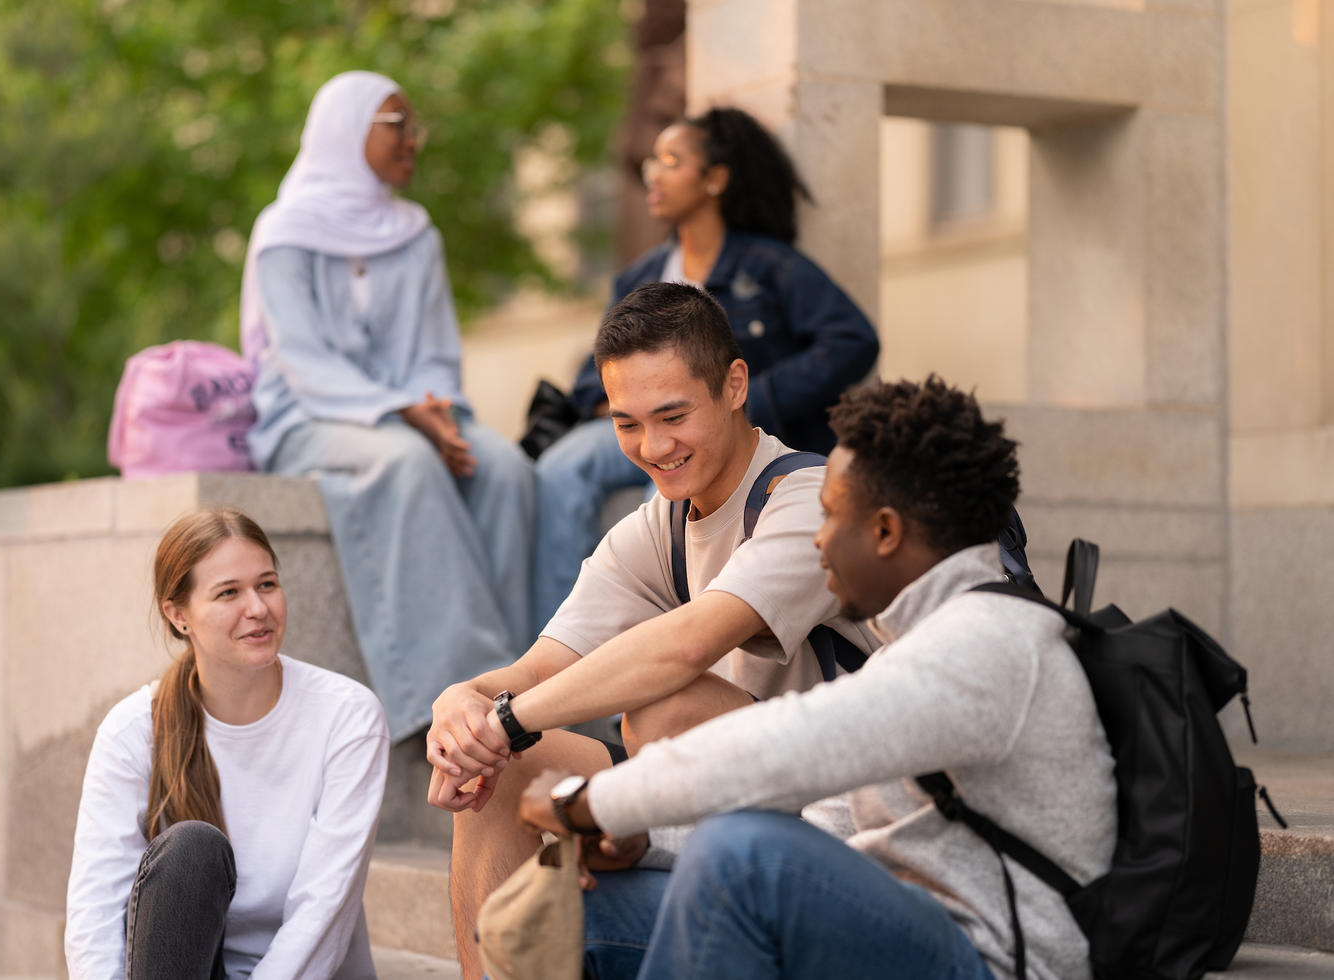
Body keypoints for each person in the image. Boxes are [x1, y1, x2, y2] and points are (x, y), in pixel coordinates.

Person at [516, 377, 1118, 980]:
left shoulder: (990, 642)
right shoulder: (916, 646)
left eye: (830, 516)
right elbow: (822, 827)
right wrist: (644, 843)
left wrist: (597, 802)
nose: (819, 542)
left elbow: (788, 746)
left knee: (744, 855)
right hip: (888, 929)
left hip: (992, 961)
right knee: (583, 911)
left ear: (885, 531)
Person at [426, 281, 878, 978]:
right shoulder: (657, 527)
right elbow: (539, 668)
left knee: (666, 707)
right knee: (497, 768)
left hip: (841, 823)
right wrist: (464, 704)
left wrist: (506, 721)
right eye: (627, 423)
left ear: (733, 385)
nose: (653, 446)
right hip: (724, 797)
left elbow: (687, 645)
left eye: (672, 415)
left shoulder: (807, 502)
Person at [239, 70, 534, 741]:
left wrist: (434, 410)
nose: (415, 141)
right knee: (406, 464)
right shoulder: (284, 231)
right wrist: (402, 413)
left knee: (504, 466)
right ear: (348, 132)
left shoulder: (416, 232)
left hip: (415, 414)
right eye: (399, 126)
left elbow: (435, 351)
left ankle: (520, 679)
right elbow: (302, 359)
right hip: (309, 420)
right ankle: (460, 706)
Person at [530, 106, 879, 635]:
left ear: (714, 179)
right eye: (651, 162)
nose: (654, 174)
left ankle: (663, 646)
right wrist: (619, 406)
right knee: (559, 468)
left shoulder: (769, 265)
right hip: (640, 420)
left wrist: (760, 395)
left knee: (673, 485)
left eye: (671, 161)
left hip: (716, 426)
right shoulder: (642, 274)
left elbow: (852, 339)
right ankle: (562, 640)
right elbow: (592, 367)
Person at [64, 507, 389, 979]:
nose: (257, 608)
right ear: (179, 616)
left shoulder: (347, 717)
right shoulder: (133, 730)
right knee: (190, 851)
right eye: (228, 593)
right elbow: (96, 911)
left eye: (267, 584)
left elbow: (323, 911)